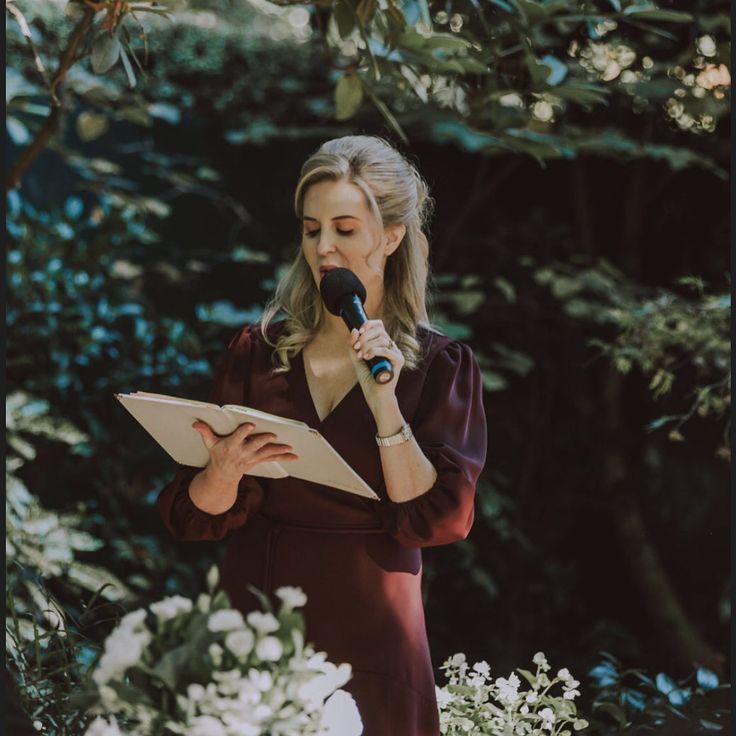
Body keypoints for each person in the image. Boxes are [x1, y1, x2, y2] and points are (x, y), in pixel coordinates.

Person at [157, 135, 487, 735]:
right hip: (257, 611)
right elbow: (192, 517)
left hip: (372, 628)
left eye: (344, 228)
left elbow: (438, 518)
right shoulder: (259, 353)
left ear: (390, 236)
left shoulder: (440, 366)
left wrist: (386, 406)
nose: (324, 248)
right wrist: (222, 472)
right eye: (312, 230)